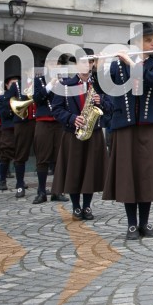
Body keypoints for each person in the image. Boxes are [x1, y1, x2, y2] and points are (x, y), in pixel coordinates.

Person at [102, 22, 153, 241]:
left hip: (149, 127)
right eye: (149, 40)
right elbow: (106, 88)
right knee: (128, 176)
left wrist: (131, 63)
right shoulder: (118, 65)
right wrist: (100, 66)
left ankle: (144, 223)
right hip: (125, 127)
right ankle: (132, 224)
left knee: (146, 176)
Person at [51, 49, 110, 220]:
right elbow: (56, 110)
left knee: (90, 171)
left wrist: (102, 101)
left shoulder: (99, 85)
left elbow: (112, 108)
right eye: (83, 62)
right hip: (73, 133)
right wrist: (72, 118)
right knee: (74, 170)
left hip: (94, 133)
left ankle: (87, 206)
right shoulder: (65, 85)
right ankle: (76, 206)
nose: (87, 65)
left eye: (90, 62)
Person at [31, 56, 70, 204]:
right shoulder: (39, 81)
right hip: (43, 122)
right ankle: (41, 191)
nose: (54, 65)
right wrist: (50, 84)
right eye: (51, 63)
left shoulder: (66, 81)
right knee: (43, 156)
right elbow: (37, 99)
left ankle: (57, 191)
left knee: (59, 157)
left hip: (60, 123)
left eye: (57, 63)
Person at [0, 75, 18, 191]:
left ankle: (20, 181)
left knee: (20, 154)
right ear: (7, 85)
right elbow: (4, 114)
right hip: (8, 128)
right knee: (5, 153)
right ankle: (2, 180)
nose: (15, 86)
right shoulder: (2, 97)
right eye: (12, 84)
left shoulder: (22, 96)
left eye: (17, 83)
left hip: (21, 127)